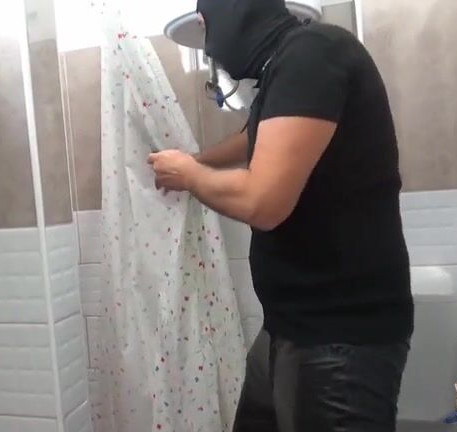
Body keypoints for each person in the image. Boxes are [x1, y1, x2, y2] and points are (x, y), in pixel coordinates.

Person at [147, 0, 414, 431]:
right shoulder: (288, 66)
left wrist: (190, 175)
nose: (210, 50)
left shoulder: (313, 52)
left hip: (338, 337)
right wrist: (197, 161)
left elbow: (263, 202)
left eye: (207, 29)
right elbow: (257, 136)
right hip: (290, 325)